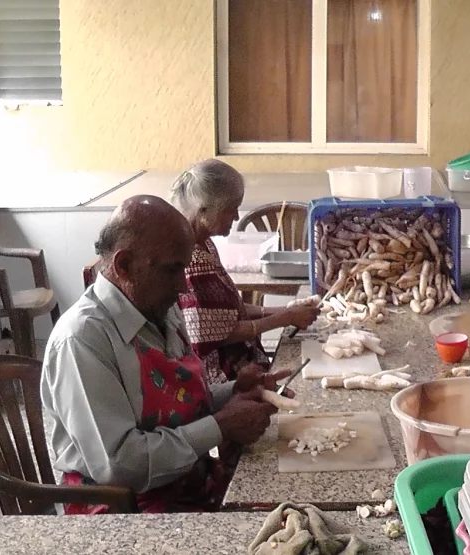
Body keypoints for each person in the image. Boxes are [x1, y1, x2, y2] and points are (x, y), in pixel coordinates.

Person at [41, 196, 292, 513]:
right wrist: (220, 427)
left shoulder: (157, 306)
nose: (184, 287)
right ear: (124, 266)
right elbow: (120, 465)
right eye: (173, 271)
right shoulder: (83, 340)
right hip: (123, 511)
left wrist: (234, 391)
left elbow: (177, 401)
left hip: (184, 482)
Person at [169, 159, 319, 385]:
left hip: (242, 364)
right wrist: (284, 318)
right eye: (231, 209)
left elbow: (227, 312)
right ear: (203, 211)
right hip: (218, 381)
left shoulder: (205, 244)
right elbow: (215, 335)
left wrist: (284, 309)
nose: (237, 217)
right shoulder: (191, 260)